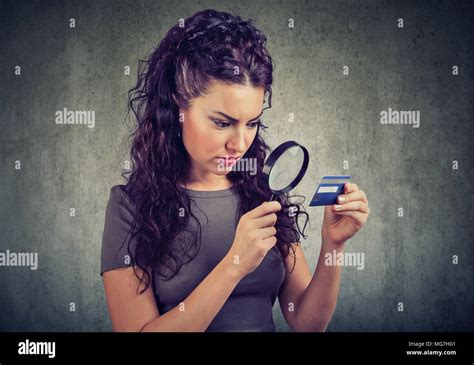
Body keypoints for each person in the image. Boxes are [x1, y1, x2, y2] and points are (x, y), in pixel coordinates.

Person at [101, 9, 370, 332]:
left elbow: (308, 322)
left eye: (252, 123)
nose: (239, 143)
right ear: (178, 108)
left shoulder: (261, 193)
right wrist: (235, 264)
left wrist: (333, 245)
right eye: (222, 122)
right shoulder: (130, 205)